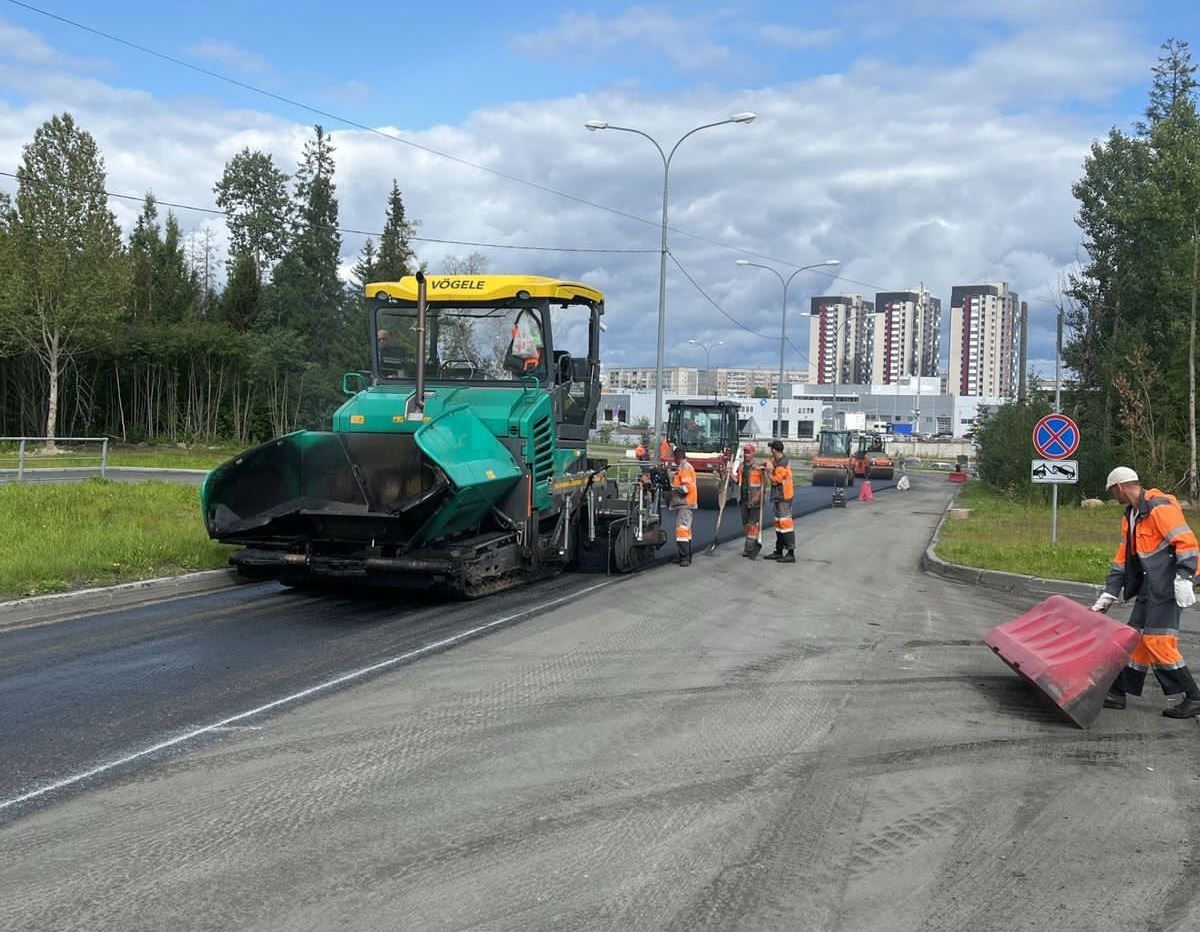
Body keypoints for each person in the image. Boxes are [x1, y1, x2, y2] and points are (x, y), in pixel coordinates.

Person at [1092, 466, 1200, 718]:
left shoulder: (1159, 507)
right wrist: (1109, 593)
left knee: (1157, 641)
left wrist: (1185, 577)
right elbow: (1123, 559)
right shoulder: (1131, 516)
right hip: (1148, 586)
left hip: (1170, 586)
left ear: (1119, 487)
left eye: (1111, 491)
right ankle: (1118, 691)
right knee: (1134, 637)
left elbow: (1187, 542)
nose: (1112, 495)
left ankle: (1194, 697)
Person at [764, 439, 795, 563]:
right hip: (779, 497)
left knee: (785, 525)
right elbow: (770, 462)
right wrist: (766, 463)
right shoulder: (779, 461)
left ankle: (790, 553)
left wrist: (768, 472)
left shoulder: (782, 465)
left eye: (771, 450)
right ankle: (778, 551)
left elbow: (774, 481)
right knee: (779, 525)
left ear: (774, 450)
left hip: (784, 498)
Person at [732, 443, 764, 559]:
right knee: (746, 525)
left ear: (753, 453)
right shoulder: (741, 467)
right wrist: (730, 474)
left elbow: (764, 485)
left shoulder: (758, 467)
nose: (746, 455)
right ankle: (751, 544)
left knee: (752, 524)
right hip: (743, 499)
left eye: (748, 452)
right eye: (745, 452)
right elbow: (738, 481)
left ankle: (749, 548)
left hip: (755, 500)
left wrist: (757, 497)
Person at [669, 446, 698, 566]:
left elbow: (686, 487)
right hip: (685, 503)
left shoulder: (685, 468)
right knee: (686, 530)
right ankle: (685, 555)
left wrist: (673, 487)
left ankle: (685, 557)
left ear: (677, 457)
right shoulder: (683, 467)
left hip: (685, 503)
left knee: (682, 529)